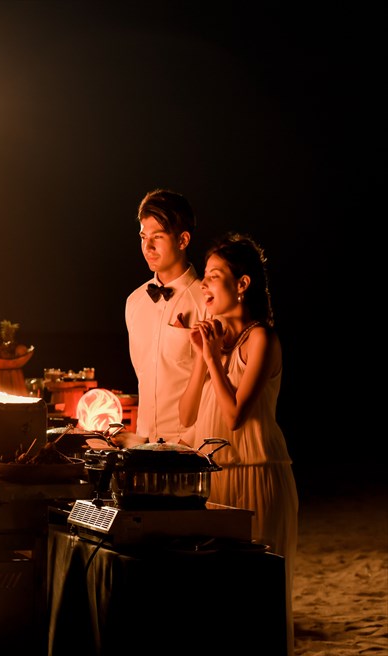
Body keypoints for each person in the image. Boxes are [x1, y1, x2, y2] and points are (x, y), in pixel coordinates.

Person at [178, 233, 298, 656]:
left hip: (256, 475)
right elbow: (187, 415)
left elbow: (235, 416)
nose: (205, 286)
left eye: (214, 276)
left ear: (242, 284)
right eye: (205, 278)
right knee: (215, 604)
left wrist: (213, 358)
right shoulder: (217, 344)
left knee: (255, 601)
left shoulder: (261, 339)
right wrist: (202, 355)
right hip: (214, 480)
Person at [125, 188, 206, 443]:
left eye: (157, 237)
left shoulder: (207, 300)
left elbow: (216, 384)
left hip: (192, 449)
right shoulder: (134, 302)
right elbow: (143, 377)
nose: (147, 246)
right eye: (143, 236)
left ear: (182, 240)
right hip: (143, 446)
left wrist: (190, 441)